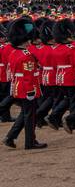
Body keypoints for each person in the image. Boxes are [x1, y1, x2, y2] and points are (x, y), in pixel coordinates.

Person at [3, 15, 46, 150]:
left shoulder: (14, 52)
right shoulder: (26, 56)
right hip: (27, 88)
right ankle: (30, 141)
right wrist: (31, 92)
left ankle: (10, 137)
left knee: (24, 114)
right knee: (30, 116)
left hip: (17, 86)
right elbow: (28, 75)